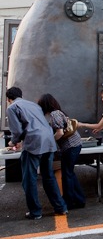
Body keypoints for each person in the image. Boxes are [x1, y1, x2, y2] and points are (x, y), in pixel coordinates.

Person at [6, 87, 67, 220]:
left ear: (9, 99)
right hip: (49, 141)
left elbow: (17, 131)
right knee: (49, 176)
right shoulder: (34, 105)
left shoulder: (12, 108)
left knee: (30, 179)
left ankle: (35, 212)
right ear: (21, 95)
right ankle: (61, 207)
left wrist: (13, 142)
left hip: (34, 144)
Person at [38, 94, 86, 210]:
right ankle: (79, 200)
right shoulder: (58, 112)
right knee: (69, 173)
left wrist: (49, 141)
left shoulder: (55, 114)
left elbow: (59, 133)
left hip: (70, 146)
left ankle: (69, 202)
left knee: (67, 175)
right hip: (74, 145)